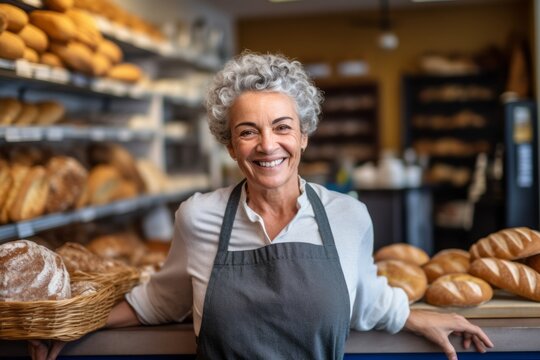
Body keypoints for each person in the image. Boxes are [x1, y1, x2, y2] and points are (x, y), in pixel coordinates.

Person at [29, 52, 493, 360]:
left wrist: (417, 316)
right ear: (230, 146)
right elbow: (160, 300)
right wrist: (72, 324)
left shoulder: (348, 216)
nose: (267, 145)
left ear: (304, 135)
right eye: (247, 131)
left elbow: (364, 298)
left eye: (282, 127)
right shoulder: (199, 216)